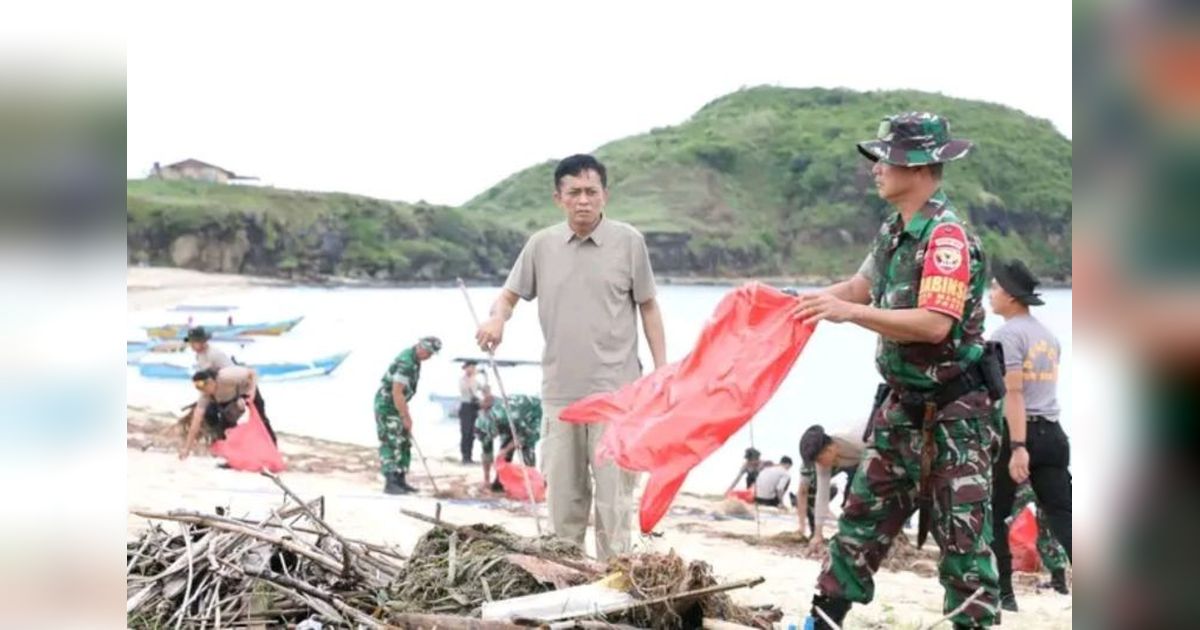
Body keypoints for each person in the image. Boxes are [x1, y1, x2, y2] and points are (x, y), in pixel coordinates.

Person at [792, 112, 1004, 629]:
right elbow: (858, 287)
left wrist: (850, 315)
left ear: (922, 166)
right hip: (900, 409)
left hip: (957, 415)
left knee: (964, 541)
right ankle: (822, 621)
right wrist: (805, 305)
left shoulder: (946, 240)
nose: (877, 168)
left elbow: (934, 325)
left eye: (888, 159)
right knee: (860, 522)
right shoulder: (895, 230)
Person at [475, 154, 668, 560]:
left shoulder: (629, 242)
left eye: (591, 192)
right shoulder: (541, 245)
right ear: (559, 198)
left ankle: (614, 589)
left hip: (618, 396)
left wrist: (662, 371)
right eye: (574, 192)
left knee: (614, 505)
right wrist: (497, 320)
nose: (583, 200)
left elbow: (649, 306)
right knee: (564, 502)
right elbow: (509, 296)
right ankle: (565, 586)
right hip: (561, 395)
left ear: (605, 196)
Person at [987, 258, 1072, 612]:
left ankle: (1003, 595)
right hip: (1054, 434)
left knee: (995, 514)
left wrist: (1018, 446)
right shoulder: (1048, 336)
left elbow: (1015, 393)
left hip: (1020, 434)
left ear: (1009, 295)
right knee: (1065, 515)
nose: (989, 294)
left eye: (993, 288)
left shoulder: (1006, 335)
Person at [374, 336, 441, 495]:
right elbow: (397, 392)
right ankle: (390, 482)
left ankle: (400, 479)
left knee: (404, 440)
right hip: (387, 406)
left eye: (432, 354)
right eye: (428, 352)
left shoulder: (415, 359)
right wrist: (405, 417)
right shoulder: (406, 363)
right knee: (391, 441)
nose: (429, 356)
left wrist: (404, 415)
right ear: (420, 346)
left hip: (398, 405)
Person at [186, 326, 276, 444]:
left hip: (237, 385)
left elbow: (236, 374)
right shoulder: (199, 356)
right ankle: (223, 442)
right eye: (191, 342)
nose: (192, 345)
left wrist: (245, 395)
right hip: (220, 390)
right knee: (211, 414)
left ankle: (272, 444)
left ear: (203, 341)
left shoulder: (214, 354)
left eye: (195, 342)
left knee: (261, 417)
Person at [797, 425, 864, 544]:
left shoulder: (856, 439)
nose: (819, 464)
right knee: (849, 507)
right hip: (852, 462)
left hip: (873, 452)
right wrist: (818, 535)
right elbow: (822, 494)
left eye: (819, 460)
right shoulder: (820, 461)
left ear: (830, 449)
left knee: (864, 494)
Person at [180, 366, 258, 459]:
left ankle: (269, 445)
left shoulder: (225, 377)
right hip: (229, 401)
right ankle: (231, 453)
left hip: (247, 391)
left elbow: (252, 373)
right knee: (223, 424)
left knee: (262, 420)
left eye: (204, 386)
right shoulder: (205, 395)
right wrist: (187, 449)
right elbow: (196, 422)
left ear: (211, 381)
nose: (203, 391)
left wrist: (252, 392)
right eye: (199, 388)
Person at [1009, 482, 1070, 595]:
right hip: (1050, 482)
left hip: (1025, 482)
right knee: (1049, 534)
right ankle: (1059, 582)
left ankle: (998, 578)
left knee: (1001, 522)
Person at [475, 392, 542, 490]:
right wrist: (486, 480)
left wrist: (506, 450)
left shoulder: (506, 416)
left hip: (533, 413)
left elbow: (522, 437)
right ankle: (499, 482)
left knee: (527, 446)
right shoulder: (484, 426)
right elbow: (486, 453)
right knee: (504, 451)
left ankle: (531, 482)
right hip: (511, 419)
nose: (492, 438)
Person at [458, 361, 484, 464]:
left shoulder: (475, 381)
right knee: (466, 432)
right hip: (466, 406)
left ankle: (470, 456)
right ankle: (465, 456)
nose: (473, 369)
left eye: (474, 368)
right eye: (471, 367)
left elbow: (483, 389)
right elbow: (466, 391)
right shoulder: (463, 380)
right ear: (466, 368)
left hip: (474, 407)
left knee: (473, 433)